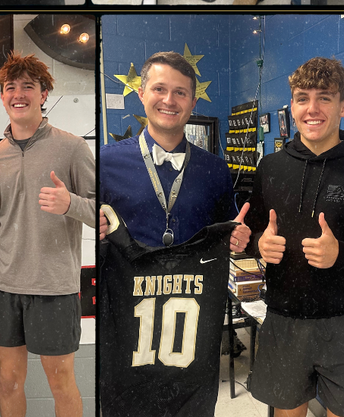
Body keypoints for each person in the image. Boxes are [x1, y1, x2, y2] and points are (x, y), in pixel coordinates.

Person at [98, 51, 251, 417]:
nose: (169, 100)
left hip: (193, 327)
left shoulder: (215, 169)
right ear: (142, 94)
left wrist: (240, 238)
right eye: (160, 89)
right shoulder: (105, 162)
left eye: (181, 93)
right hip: (130, 325)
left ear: (193, 102)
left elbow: (230, 229)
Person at [0, 50, 95, 417]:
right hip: (2, 285)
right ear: (2, 97)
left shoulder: (73, 147)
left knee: (61, 383)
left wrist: (70, 204)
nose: (19, 94)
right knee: (9, 380)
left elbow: (104, 213)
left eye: (28, 86)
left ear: (43, 94)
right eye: (10, 87)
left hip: (53, 288)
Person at [247, 57, 344, 417]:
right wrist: (259, 245)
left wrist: (341, 254)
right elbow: (252, 230)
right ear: (292, 106)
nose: (312, 109)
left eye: (325, 98)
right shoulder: (270, 167)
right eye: (302, 98)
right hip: (285, 316)